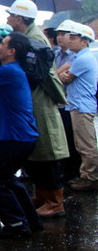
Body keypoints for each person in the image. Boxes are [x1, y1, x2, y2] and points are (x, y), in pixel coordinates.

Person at [6, 0, 70, 218]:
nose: (8, 19)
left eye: (11, 15)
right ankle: (43, 196)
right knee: (37, 151)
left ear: (20, 18)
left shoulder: (33, 39)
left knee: (47, 151)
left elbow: (37, 74)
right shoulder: (29, 36)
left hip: (40, 99)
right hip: (33, 99)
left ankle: (55, 201)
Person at [0, 32, 42, 238]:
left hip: (15, 138)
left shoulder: (10, 71)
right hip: (20, 137)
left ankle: (16, 224)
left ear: (12, 51)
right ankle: (31, 220)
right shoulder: (10, 71)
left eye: (3, 44)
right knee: (7, 179)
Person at [59, 23, 98, 191]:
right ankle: (86, 175)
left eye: (73, 38)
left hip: (82, 106)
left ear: (84, 41)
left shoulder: (83, 58)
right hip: (78, 105)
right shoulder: (80, 57)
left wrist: (62, 75)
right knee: (82, 143)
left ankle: (90, 177)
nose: (70, 41)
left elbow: (65, 78)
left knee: (86, 144)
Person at [54, 19, 81, 183]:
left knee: (71, 139)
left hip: (69, 103)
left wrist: (55, 76)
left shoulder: (74, 56)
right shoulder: (56, 53)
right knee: (60, 138)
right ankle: (63, 170)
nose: (60, 37)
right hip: (57, 103)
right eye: (58, 34)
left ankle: (73, 172)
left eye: (64, 34)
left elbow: (56, 75)